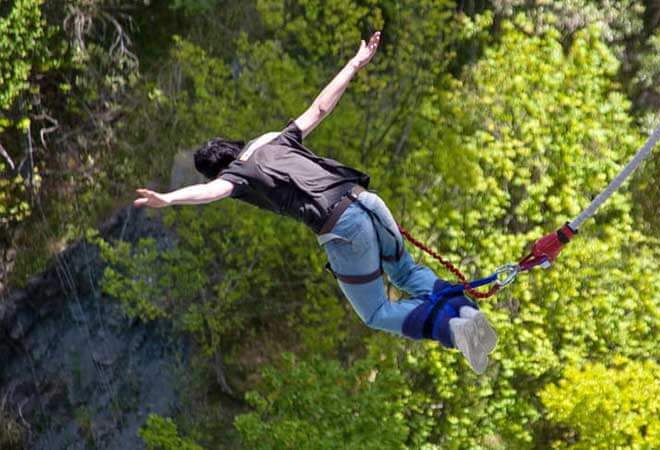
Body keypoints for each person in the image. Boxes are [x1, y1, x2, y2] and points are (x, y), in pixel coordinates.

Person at [133, 32, 498, 374]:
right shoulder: (273, 140)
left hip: (344, 229)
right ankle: (465, 313)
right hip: (368, 201)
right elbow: (320, 108)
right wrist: (355, 63)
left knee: (374, 311)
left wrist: (168, 198)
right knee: (405, 272)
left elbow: (212, 193)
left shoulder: (237, 175)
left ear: (218, 170)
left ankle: (452, 329)